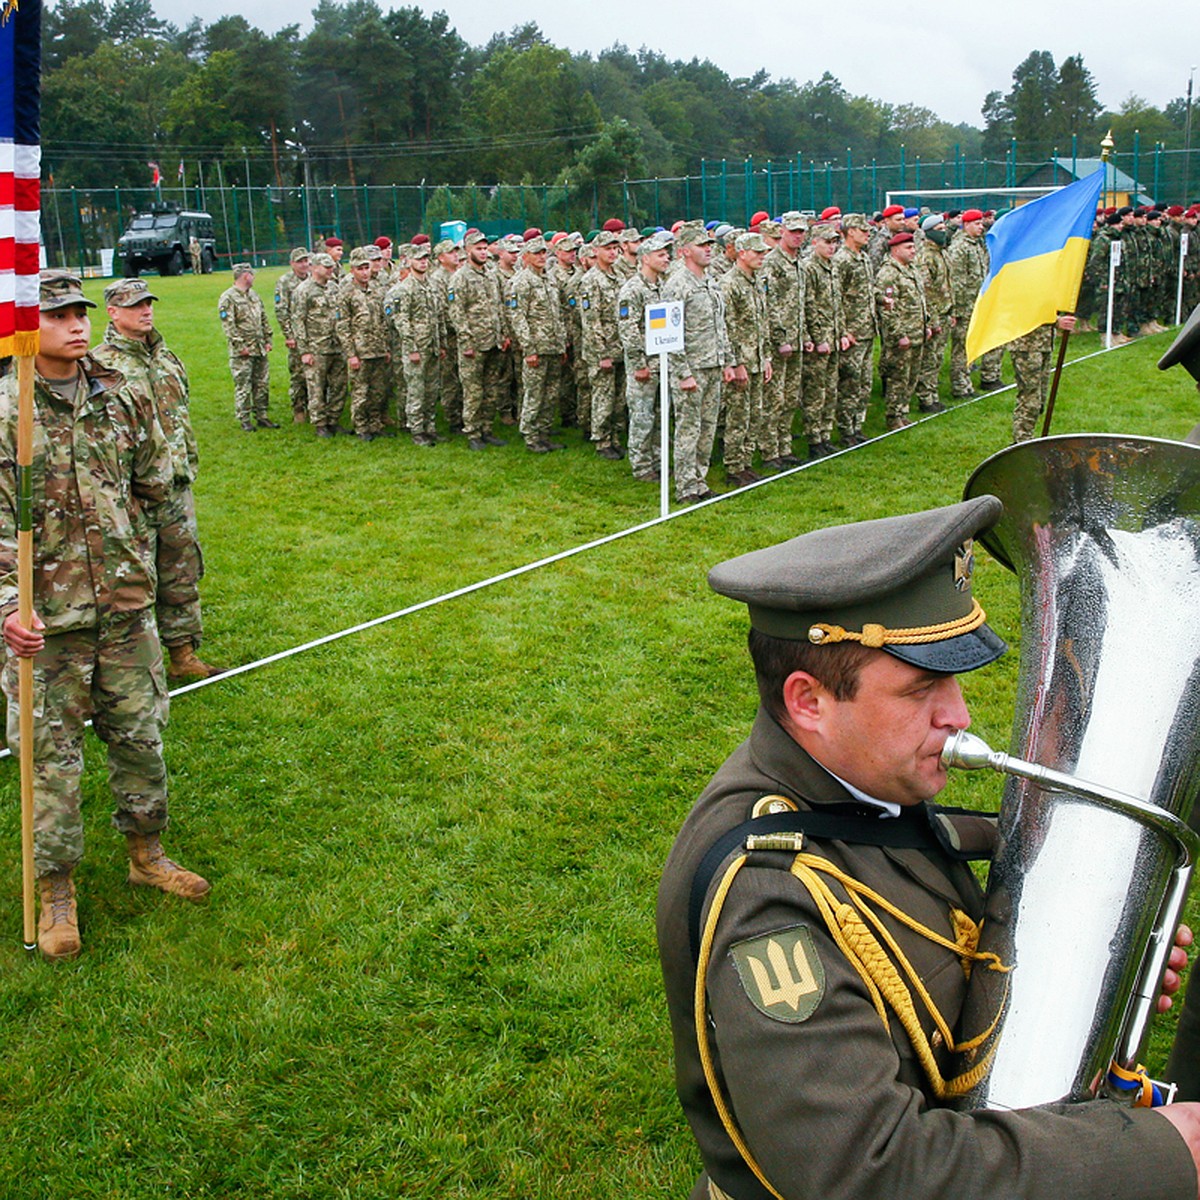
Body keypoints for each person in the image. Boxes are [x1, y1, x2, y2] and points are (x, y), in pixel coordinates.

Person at [657, 496, 1200, 1200]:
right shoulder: (768, 900)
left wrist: (1088, 965)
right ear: (809, 701)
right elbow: (869, 1173)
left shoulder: (859, 788)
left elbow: (924, 971)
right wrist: (1161, 1154)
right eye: (923, 688)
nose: (960, 715)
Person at [0, 271, 211, 963]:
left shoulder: (120, 394)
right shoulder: (9, 409)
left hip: (125, 607)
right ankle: (55, 888)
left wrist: (153, 570)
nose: (77, 324)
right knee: (50, 762)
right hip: (47, 624)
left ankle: (146, 852)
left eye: (79, 312)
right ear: (29, 326)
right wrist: (8, 606)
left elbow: (155, 483)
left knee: (141, 735)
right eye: (58, 315)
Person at [92, 278, 223, 681]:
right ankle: (129, 668)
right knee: (131, 581)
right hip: (130, 495)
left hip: (176, 486)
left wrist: (185, 467)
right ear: (113, 313)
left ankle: (183, 655)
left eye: (148, 303)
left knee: (181, 572)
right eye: (134, 306)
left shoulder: (167, 358)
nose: (145, 311)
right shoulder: (99, 366)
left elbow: (181, 417)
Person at [664, 226, 734, 504]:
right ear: (684, 251)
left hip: (713, 364)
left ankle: (700, 480)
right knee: (688, 429)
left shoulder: (710, 280)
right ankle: (685, 487)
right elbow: (670, 334)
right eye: (701, 245)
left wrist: (727, 361)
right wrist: (682, 373)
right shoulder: (676, 285)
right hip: (691, 368)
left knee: (707, 427)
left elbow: (720, 325)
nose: (708, 249)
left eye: (709, 244)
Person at [217, 262, 274, 432]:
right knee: (244, 385)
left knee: (262, 383)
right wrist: (239, 345)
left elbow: (263, 317)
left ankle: (262, 416)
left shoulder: (253, 295)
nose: (254, 277)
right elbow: (229, 325)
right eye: (252, 274)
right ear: (245, 276)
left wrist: (268, 338)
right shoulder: (228, 298)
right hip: (243, 351)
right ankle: (244, 418)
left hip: (259, 347)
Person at [1008, 314, 1076, 443]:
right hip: (1026, 344)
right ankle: (1022, 441)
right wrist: (1055, 321)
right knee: (1030, 397)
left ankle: (1027, 438)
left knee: (1040, 398)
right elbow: (1027, 307)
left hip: (1043, 343)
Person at [274, 247, 312, 423]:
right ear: (292, 264)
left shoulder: (313, 278)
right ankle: (298, 408)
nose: (304, 264)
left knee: (315, 372)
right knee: (298, 374)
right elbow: (281, 310)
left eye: (306, 261)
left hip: (314, 334)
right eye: (300, 261)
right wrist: (289, 335)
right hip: (296, 335)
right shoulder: (285, 282)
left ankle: (314, 406)